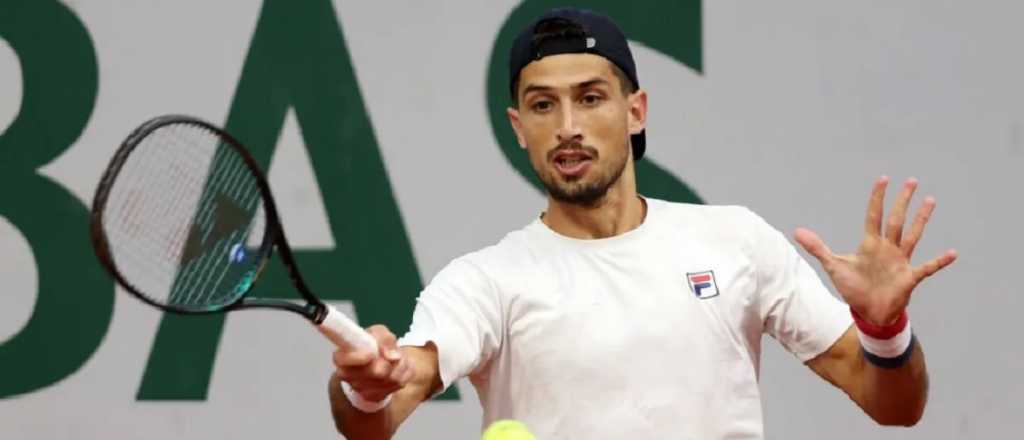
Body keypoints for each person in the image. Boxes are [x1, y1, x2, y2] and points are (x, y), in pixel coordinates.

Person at [327, 7, 957, 439]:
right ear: (519, 128)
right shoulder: (484, 282)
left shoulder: (735, 241)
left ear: (636, 111)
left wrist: (884, 329)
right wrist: (366, 389)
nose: (568, 125)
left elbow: (893, 406)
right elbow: (379, 416)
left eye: (590, 97)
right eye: (543, 105)